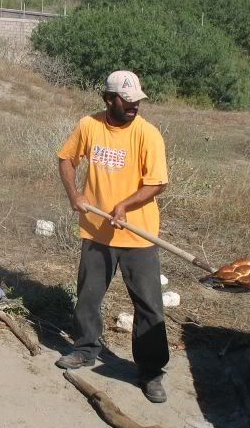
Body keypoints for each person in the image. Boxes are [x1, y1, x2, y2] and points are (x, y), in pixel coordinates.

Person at [56, 70, 170, 403]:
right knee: (88, 296)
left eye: (138, 100)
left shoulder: (148, 134)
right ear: (109, 99)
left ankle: (150, 372)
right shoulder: (89, 126)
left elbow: (157, 183)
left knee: (149, 306)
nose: (134, 106)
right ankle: (85, 348)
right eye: (128, 100)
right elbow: (66, 159)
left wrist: (125, 205)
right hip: (96, 231)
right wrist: (74, 195)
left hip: (139, 235)